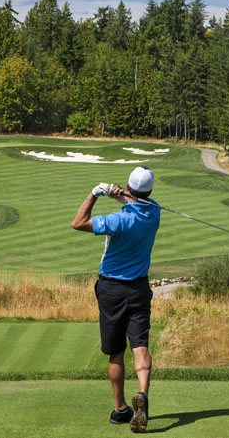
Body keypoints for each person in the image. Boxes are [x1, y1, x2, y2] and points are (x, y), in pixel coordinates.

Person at [71, 166, 160, 433]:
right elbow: (137, 202)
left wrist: (95, 194)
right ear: (150, 191)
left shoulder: (117, 221)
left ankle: (121, 408)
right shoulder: (154, 211)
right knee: (140, 346)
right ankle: (142, 393)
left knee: (115, 352)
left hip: (111, 290)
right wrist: (118, 195)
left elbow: (78, 223)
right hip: (139, 289)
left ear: (129, 187)